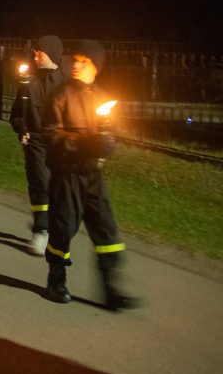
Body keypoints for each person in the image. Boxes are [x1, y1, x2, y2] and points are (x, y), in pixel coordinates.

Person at [43, 40, 137, 310]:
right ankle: (56, 280)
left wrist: (107, 143)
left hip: (93, 175)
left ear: (96, 67)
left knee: (105, 229)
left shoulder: (102, 98)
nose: (76, 64)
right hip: (67, 175)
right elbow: (51, 133)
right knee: (63, 227)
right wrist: (82, 142)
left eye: (84, 61)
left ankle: (110, 288)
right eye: (75, 59)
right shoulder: (60, 94)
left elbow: (109, 132)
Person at [9, 35, 67, 255]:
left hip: (61, 142)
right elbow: (16, 113)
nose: (35, 56)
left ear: (51, 53)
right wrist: (21, 129)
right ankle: (41, 230)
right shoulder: (29, 81)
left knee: (59, 187)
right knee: (40, 183)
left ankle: (54, 226)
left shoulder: (66, 83)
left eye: (39, 52)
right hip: (35, 141)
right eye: (34, 52)